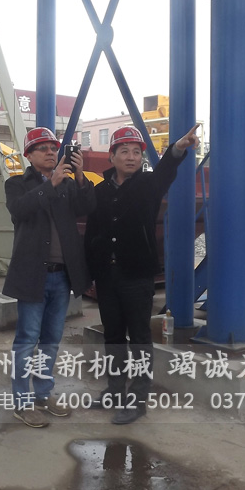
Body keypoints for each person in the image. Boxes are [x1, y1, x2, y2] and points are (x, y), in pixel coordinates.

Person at [85, 124, 199, 424]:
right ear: (112, 157)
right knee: (113, 336)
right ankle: (114, 391)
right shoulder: (100, 191)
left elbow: (166, 171)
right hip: (107, 277)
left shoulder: (149, 184)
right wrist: (91, 271)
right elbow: (92, 233)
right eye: (124, 151)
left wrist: (178, 149)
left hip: (137, 276)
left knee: (138, 339)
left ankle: (137, 401)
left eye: (136, 152)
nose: (131, 157)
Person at [3, 127, 96, 428]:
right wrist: (50, 185)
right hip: (34, 276)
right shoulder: (16, 184)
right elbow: (20, 210)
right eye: (42, 148)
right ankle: (22, 403)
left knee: (51, 341)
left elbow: (88, 208)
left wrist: (79, 177)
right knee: (26, 340)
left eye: (53, 148)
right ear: (29, 155)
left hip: (61, 277)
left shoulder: (68, 185)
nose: (50, 152)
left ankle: (43, 394)